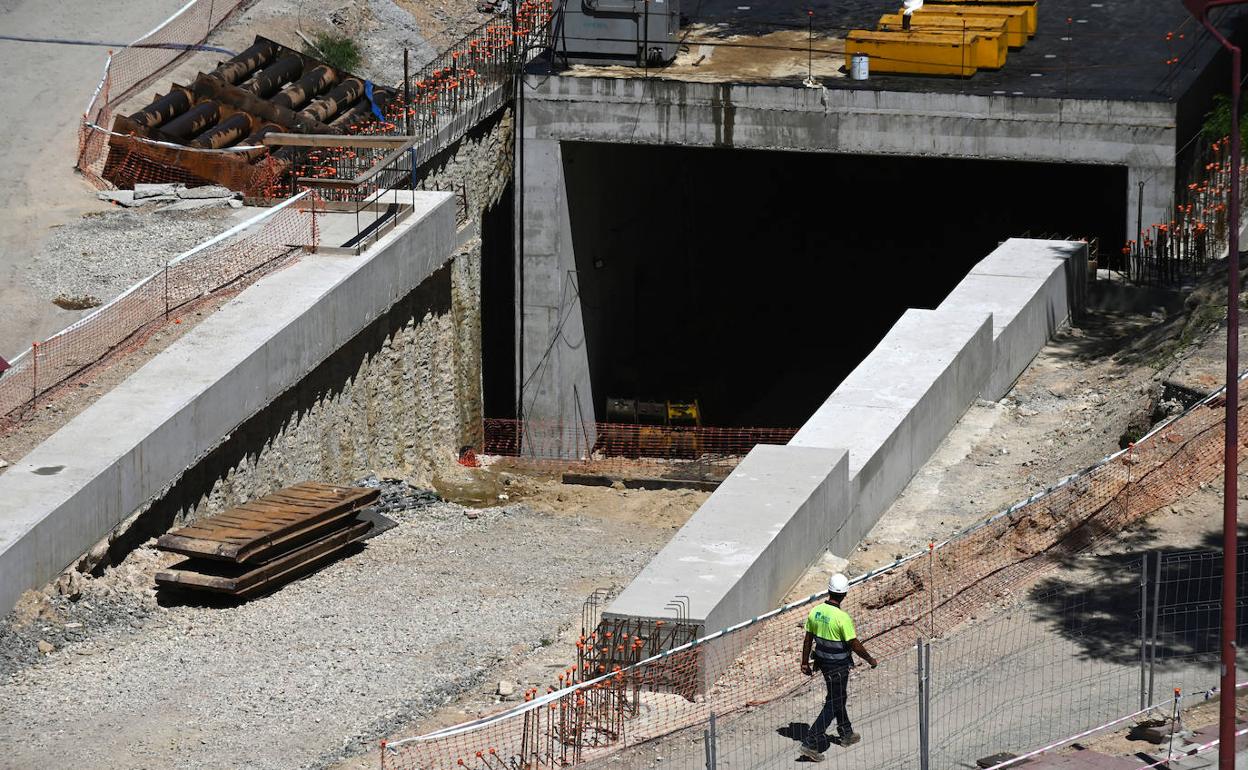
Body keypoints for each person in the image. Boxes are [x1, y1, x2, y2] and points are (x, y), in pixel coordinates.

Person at [798, 573, 878, 762]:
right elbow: (854, 644)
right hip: (838, 666)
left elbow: (808, 639)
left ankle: (846, 733)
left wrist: (803, 662)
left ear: (829, 590)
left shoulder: (816, 612)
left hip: (823, 664)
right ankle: (811, 742)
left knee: (837, 696)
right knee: (834, 701)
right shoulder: (842, 618)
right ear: (845, 594)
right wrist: (870, 659)